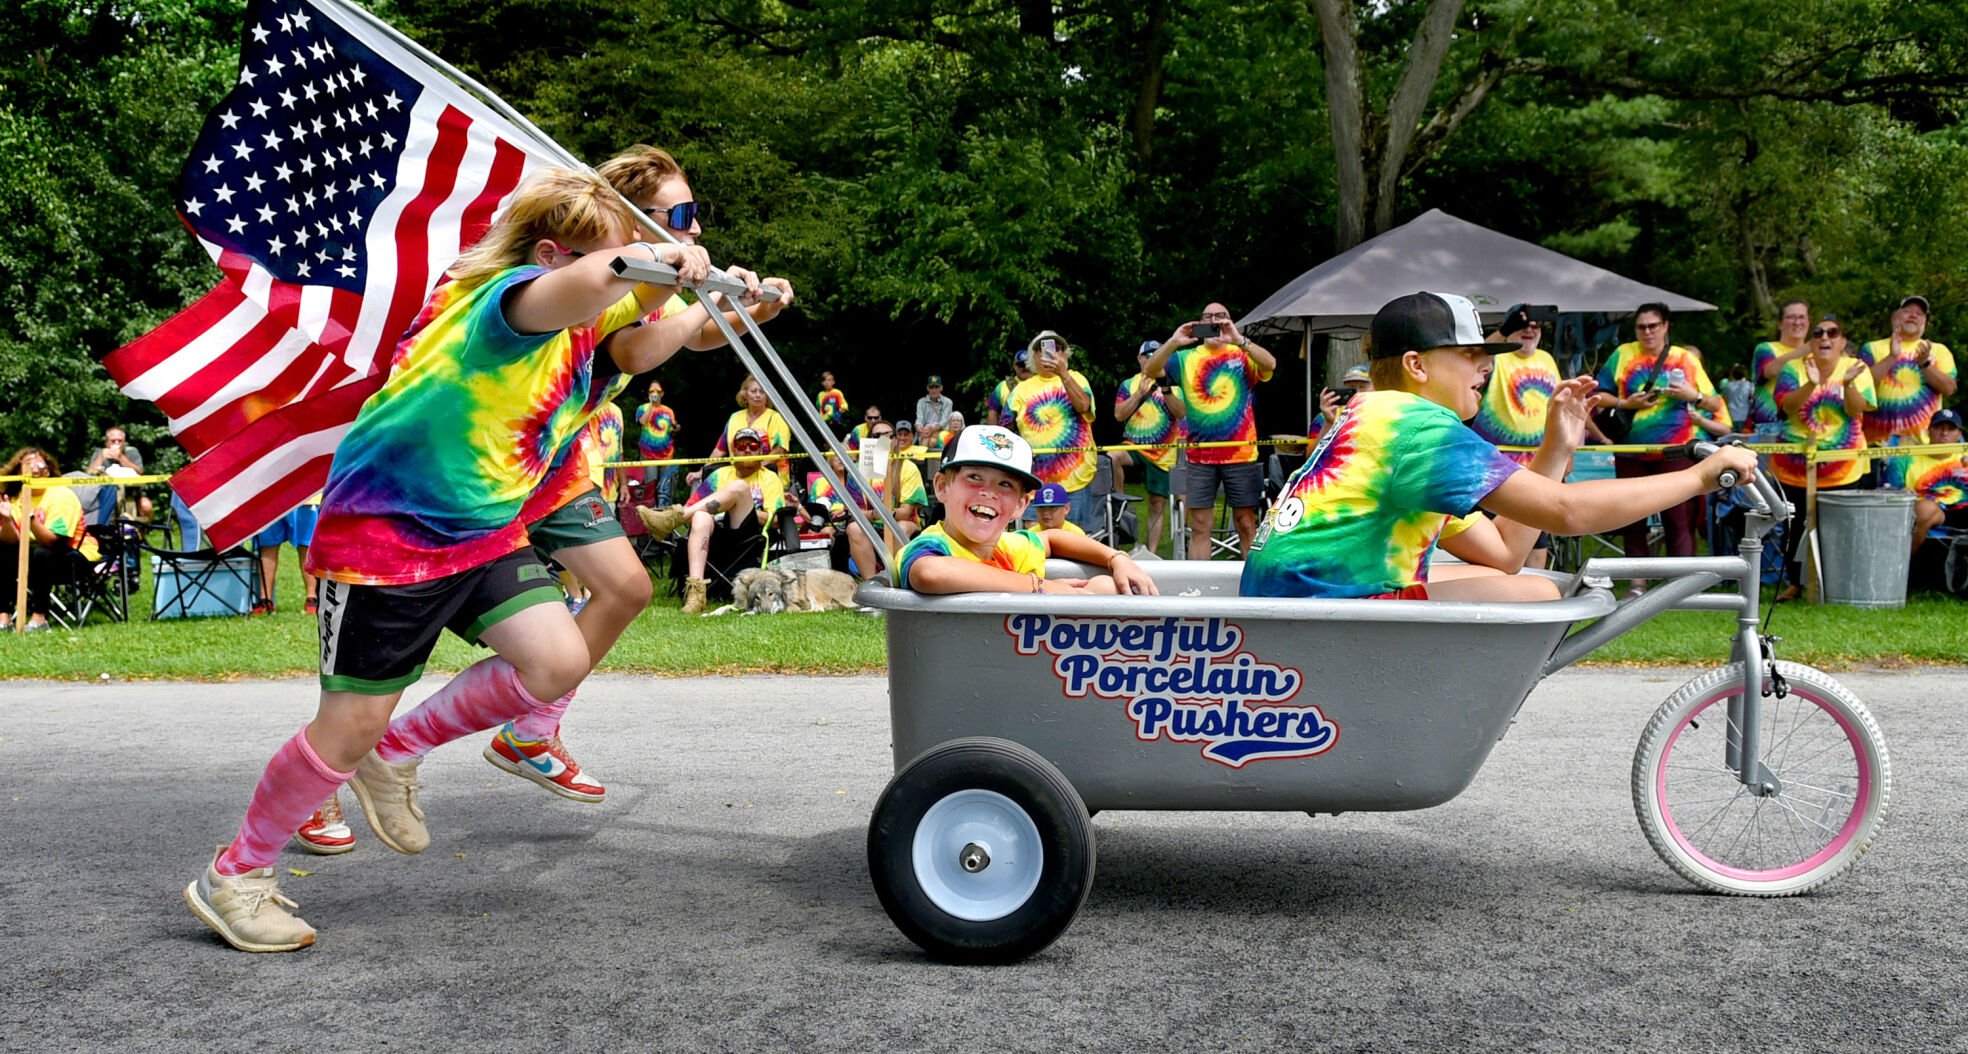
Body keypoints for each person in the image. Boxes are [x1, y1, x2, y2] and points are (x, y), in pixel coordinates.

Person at [182, 165, 716, 952]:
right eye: (617, 254)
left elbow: (654, 321)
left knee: (557, 660)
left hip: (482, 530)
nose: (629, 268)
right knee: (348, 726)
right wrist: (655, 259)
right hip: (386, 538)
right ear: (549, 253)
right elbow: (596, 280)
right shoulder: (506, 299)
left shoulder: (590, 309)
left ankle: (395, 753)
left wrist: (732, 297)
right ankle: (236, 874)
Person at [1241, 292, 1757, 603]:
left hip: (1303, 612)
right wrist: (1702, 475)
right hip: (1328, 618)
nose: (1486, 366)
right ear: (1417, 366)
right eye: (1470, 354)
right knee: (1538, 590)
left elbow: (1505, 554)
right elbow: (1567, 513)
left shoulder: (1370, 417)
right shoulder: (1417, 426)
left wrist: (1555, 449)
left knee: (1515, 579)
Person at [896, 426, 1156, 596]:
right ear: (942, 487)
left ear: (1020, 505)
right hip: (959, 658)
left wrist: (1117, 558)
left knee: (1106, 586)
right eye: (974, 477)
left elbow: (1052, 538)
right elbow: (929, 573)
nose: (989, 492)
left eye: (1005, 485)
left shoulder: (1006, 547)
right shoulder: (934, 544)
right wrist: (1043, 588)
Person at [1596, 303, 1731, 576]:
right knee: (1631, 517)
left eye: (1653, 326)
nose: (1647, 332)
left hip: (1675, 452)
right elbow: (1598, 395)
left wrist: (1692, 396)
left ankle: (1680, 583)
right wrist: (1626, 403)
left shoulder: (1685, 359)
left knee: (1678, 517)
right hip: (1631, 452)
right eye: (1641, 327)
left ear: (1666, 326)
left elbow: (1716, 403)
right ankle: (1637, 583)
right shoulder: (1622, 354)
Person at [1144, 303, 1278, 558]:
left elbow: (1270, 364)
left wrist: (1239, 340)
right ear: (1200, 323)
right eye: (1208, 317)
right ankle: (1199, 582)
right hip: (1200, 456)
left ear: (1230, 321)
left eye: (1220, 316)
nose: (1214, 320)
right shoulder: (1185, 358)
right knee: (1200, 524)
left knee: (1246, 522)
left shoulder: (1243, 354)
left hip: (1239, 454)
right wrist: (1173, 341)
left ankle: (1251, 580)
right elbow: (1150, 370)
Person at [1771, 313, 1877, 602]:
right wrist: (1810, 384)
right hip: (1795, 464)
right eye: (1818, 333)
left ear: (1843, 341)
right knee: (1793, 526)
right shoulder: (1794, 368)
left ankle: (1837, 584)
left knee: (1840, 527)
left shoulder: (1856, 367)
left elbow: (1857, 410)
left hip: (1843, 465)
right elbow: (1787, 406)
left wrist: (1849, 384)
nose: (1825, 338)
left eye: (1832, 333)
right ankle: (1795, 583)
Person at [639, 427, 786, 614]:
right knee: (700, 515)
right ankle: (696, 593)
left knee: (739, 488)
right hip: (715, 535)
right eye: (742, 446)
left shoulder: (769, 478)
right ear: (733, 451)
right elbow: (691, 506)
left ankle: (671, 520)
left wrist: (733, 504)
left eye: (753, 446)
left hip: (747, 536)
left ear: (760, 451)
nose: (747, 450)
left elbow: (775, 519)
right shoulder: (719, 475)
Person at [1005, 330, 1098, 529]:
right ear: (1034, 356)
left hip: (1075, 477)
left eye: (1058, 348)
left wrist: (1063, 374)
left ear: (1065, 354)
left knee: (1073, 536)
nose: (1051, 353)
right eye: (1043, 348)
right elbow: (1005, 428)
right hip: (1035, 480)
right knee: (1035, 536)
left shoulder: (1077, 378)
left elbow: (1084, 406)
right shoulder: (1021, 389)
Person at [1, 448, 100, 632]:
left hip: (75, 556)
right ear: (19, 472)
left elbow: (52, 541)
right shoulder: (14, 497)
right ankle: (3, 618)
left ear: (47, 471)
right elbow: (11, 541)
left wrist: (29, 516)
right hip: (32, 555)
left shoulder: (61, 495)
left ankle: (39, 617)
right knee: (3, 551)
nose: (34, 469)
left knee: (42, 554)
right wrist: (6, 520)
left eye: (39, 465)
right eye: (28, 465)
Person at [1861, 295, 1957, 485]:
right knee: (1874, 501)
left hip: (1922, 447)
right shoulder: (1872, 348)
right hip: (1876, 447)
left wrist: (1925, 364)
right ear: (1894, 317)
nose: (1913, 316)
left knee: (1919, 502)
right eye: (1907, 311)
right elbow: (1861, 386)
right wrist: (1892, 356)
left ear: (1925, 322)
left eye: (1919, 314)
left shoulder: (1938, 350)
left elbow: (1949, 388)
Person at [825, 421, 927, 582]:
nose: (882, 440)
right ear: (869, 440)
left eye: (888, 435)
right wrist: (875, 514)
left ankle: (896, 580)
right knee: (853, 528)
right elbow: (854, 512)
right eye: (876, 436)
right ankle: (872, 583)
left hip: (904, 523)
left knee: (899, 527)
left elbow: (906, 513)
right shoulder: (858, 470)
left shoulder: (908, 468)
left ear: (895, 440)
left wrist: (882, 514)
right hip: (872, 524)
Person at [1112, 339, 1186, 554]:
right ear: (1139, 358)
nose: (1153, 359)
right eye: (1148, 355)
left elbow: (1181, 413)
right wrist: (1138, 394)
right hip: (1133, 445)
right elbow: (1119, 415)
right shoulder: (1128, 384)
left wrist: (1165, 388)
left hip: (1163, 452)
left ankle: (1151, 553)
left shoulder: (1174, 384)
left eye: (1158, 355)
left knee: (1156, 503)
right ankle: (1121, 501)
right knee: (1112, 457)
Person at [1470, 305, 1562, 466]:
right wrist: (1504, 331)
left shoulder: (1546, 358)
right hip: (1496, 458)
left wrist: (1563, 451)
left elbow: (1559, 406)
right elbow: (1474, 356)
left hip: (1540, 456)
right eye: (1522, 325)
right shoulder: (1496, 357)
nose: (1529, 330)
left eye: (1535, 326)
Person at [1908, 409, 1967, 553]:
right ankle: (1900, 561)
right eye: (1939, 427)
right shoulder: (1905, 459)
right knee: (1924, 509)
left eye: (1951, 429)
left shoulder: (1966, 455)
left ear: (1959, 433)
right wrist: (1899, 493)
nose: (1944, 433)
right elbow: (1887, 493)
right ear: (1929, 430)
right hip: (1923, 512)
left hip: (1963, 511)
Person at [251, 497, 320, 616]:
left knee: (307, 546)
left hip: (306, 498)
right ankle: (265, 600)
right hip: (270, 498)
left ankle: (312, 599)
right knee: (267, 546)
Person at [1751, 300, 1812, 434]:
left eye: (1802, 317)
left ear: (1809, 322)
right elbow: (1770, 371)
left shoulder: (1815, 355)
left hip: (1805, 425)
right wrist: (1804, 350)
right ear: (1780, 324)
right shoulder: (1765, 348)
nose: (1797, 322)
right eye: (1791, 317)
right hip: (1771, 426)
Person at [82, 426, 152, 525]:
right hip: (104, 494)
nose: (116, 443)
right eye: (113, 441)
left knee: (146, 506)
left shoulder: (132, 452)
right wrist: (101, 458)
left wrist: (121, 458)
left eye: (120, 441)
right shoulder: (100, 453)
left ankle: (140, 530)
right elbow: (88, 473)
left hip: (131, 492)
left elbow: (140, 472)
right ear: (107, 442)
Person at [635, 381, 680, 508]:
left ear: (662, 394)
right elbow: (642, 422)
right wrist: (651, 404)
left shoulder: (668, 411)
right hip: (648, 454)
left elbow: (672, 429)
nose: (654, 393)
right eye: (651, 391)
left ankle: (664, 512)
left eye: (658, 391)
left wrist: (676, 428)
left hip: (666, 454)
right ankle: (651, 512)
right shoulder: (642, 408)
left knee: (665, 487)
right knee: (650, 485)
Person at [1307, 363, 1372, 446]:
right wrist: (1329, 423)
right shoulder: (1323, 418)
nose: (1357, 393)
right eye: (1351, 388)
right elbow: (1312, 453)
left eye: (1362, 387)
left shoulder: (1383, 414)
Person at [985, 348, 1033, 427]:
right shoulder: (1003, 386)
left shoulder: (1043, 384)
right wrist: (995, 433)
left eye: (1027, 364)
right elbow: (992, 412)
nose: (1025, 367)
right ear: (1014, 366)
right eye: (1021, 365)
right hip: (1011, 432)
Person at [1720, 364, 1755, 432]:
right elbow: (1753, 398)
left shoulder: (1728, 386)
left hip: (1731, 416)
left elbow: (1724, 400)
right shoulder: (1749, 385)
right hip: (1745, 416)